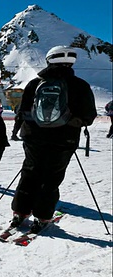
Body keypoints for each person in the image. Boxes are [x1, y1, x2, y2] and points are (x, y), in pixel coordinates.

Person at [10, 46, 97, 233]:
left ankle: (20, 211)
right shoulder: (80, 85)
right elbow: (89, 116)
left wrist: (20, 131)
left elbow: (22, 112)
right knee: (51, 177)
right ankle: (42, 216)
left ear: (49, 60)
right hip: (64, 140)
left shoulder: (34, 84)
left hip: (33, 138)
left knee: (30, 172)